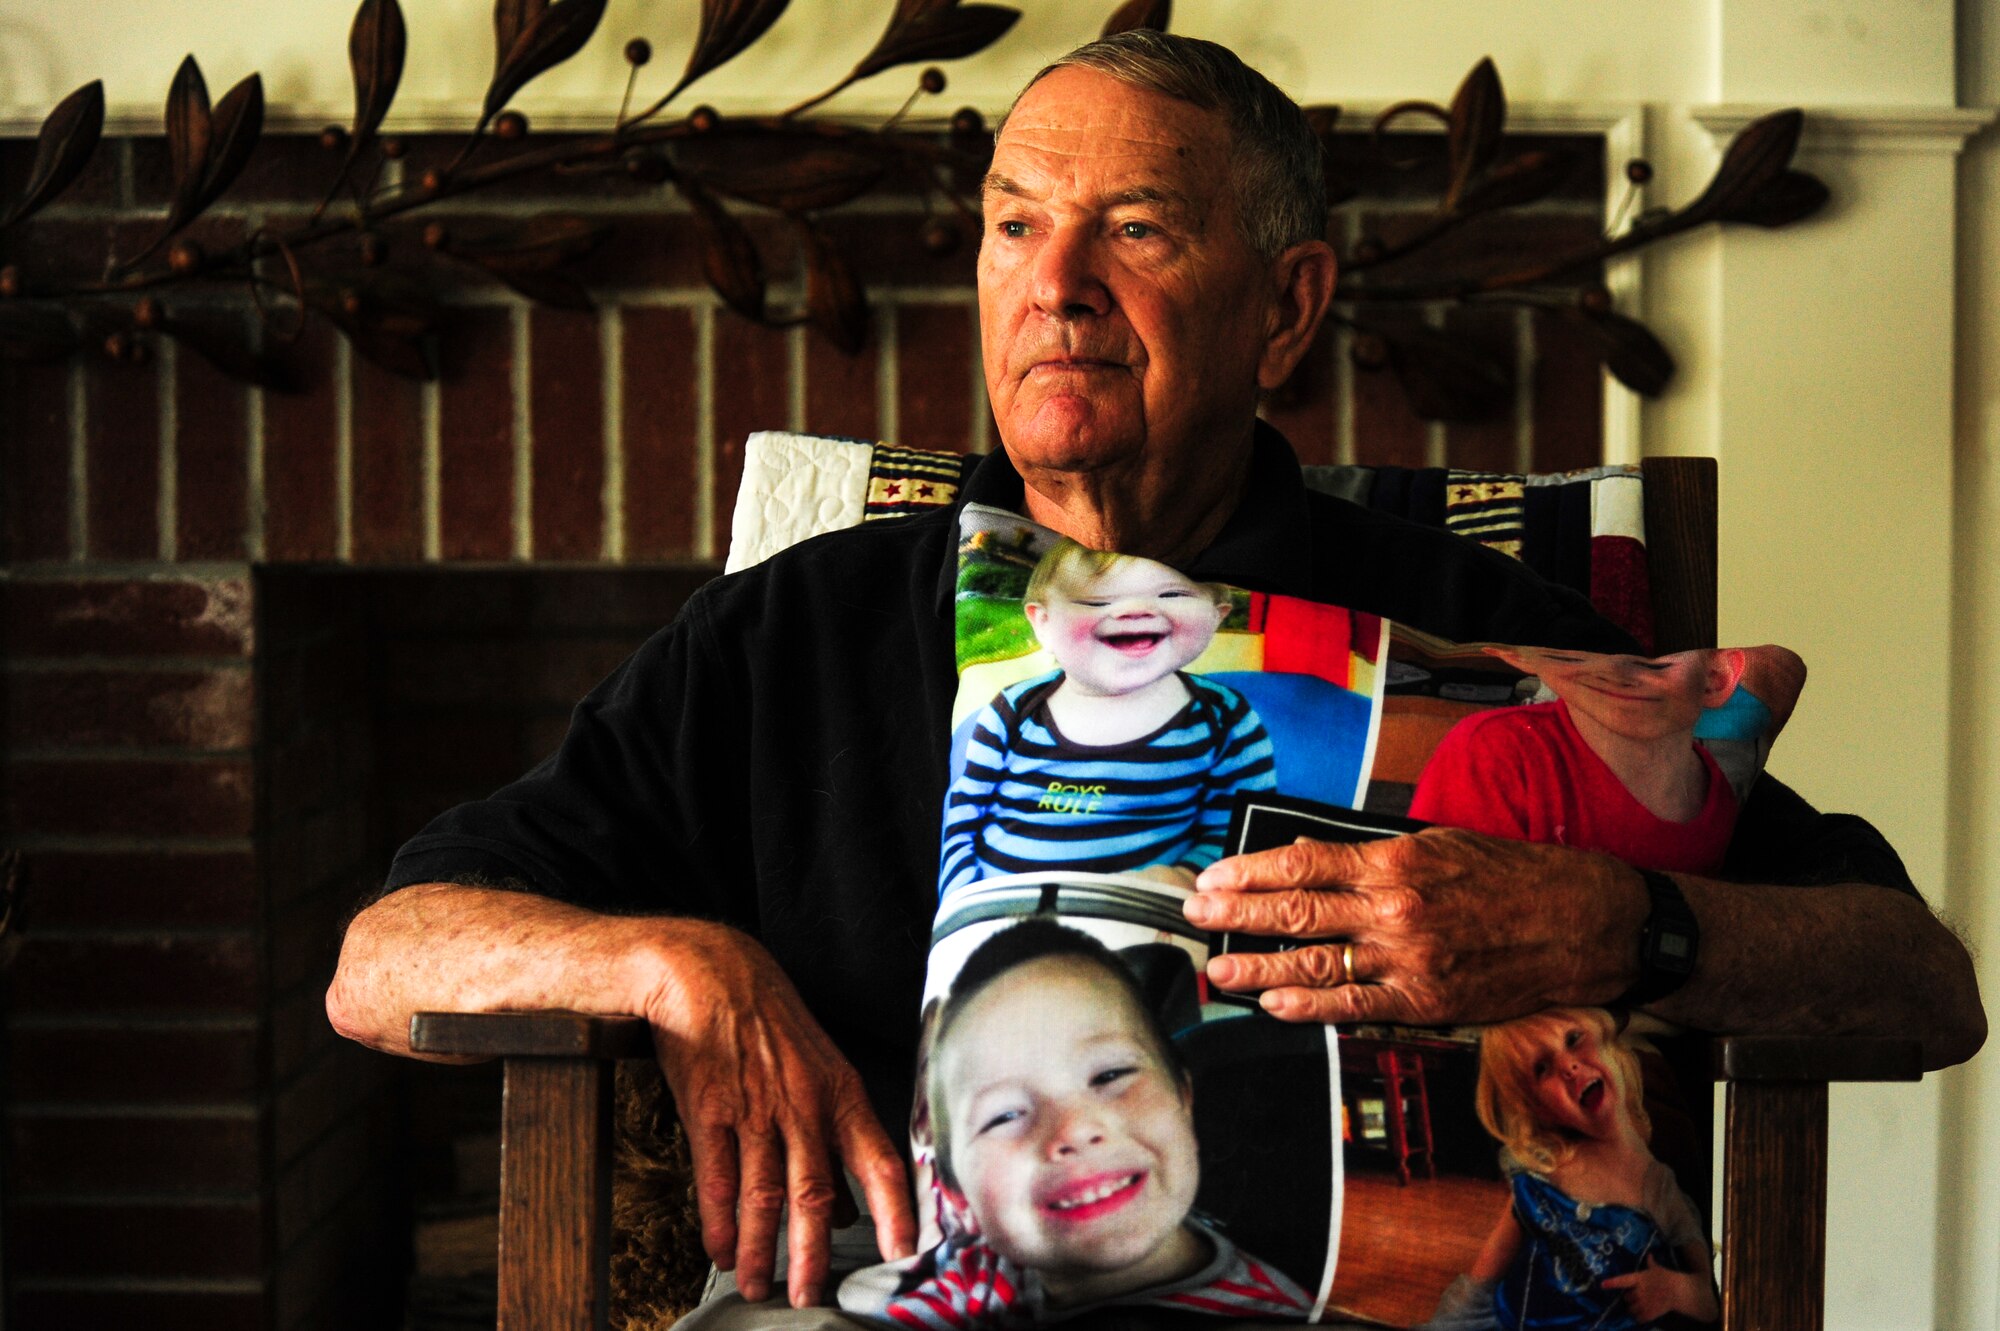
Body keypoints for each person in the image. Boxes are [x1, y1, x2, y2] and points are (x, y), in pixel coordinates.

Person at [325, 29, 1984, 1324]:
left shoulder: (1484, 642)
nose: (1054, 287)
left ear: (1286, 312)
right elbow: (384, 962)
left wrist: (1621, 925)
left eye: (1134, 230)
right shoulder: (802, 631)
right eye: (1015, 227)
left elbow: (1920, 980)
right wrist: (679, 968)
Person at [837, 920, 1308, 1326]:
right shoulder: (973, 1279)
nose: (1074, 1131)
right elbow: (867, 1295)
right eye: (1005, 1115)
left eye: (1110, 1075)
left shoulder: (1273, 1308)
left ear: (1184, 1095)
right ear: (955, 1186)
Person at [939, 539, 1274, 895]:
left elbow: (1237, 832)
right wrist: (962, 897)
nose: (1135, 610)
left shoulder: (1224, 717)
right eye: (1094, 601)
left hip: (1141, 917)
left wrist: (1186, 879)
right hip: (996, 914)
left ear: (1216, 615)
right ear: (1042, 623)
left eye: (1172, 595)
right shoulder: (1014, 710)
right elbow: (964, 813)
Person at [1422, 1007, 1717, 1330]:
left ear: (1611, 1044)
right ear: (1540, 1110)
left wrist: (1674, 1289)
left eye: (1574, 1039)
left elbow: (1709, 1301)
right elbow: (1484, 1276)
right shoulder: (1545, 1170)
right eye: (1542, 1068)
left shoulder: (1659, 1187)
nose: (1569, 1066)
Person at [1407, 646, 1752, 874]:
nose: (1616, 673)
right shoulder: (1494, 751)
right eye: (1573, 656)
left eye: (1654, 665)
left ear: (1717, 680)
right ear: (1521, 658)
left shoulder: (1715, 788)